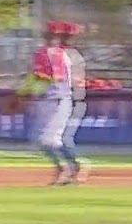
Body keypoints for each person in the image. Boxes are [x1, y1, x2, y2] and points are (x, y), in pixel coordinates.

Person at [17, 21, 88, 185]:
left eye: (56, 35)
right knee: (41, 139)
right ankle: (67, 168)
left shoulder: (56, 54)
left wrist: (27, 90)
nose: (55, 37)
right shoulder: (52, 53)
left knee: (52, 140)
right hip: (50, 99)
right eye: (53, 34)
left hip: (60, 99)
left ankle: (72, 167)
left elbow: (49, 77)